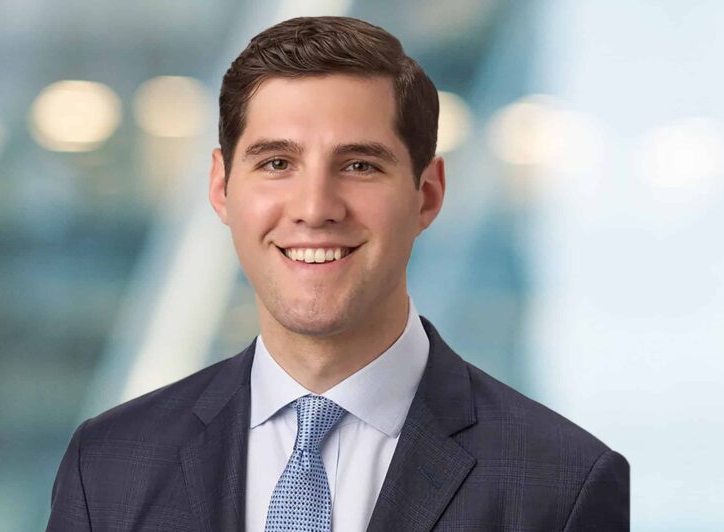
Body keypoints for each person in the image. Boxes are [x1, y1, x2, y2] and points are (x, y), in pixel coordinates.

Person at [46, 16, 629, 532]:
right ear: (222, 189)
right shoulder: (108, 465)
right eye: (277, 163)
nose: (315, 206)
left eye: (358, 165)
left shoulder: (564, 486)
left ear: (426, 195)